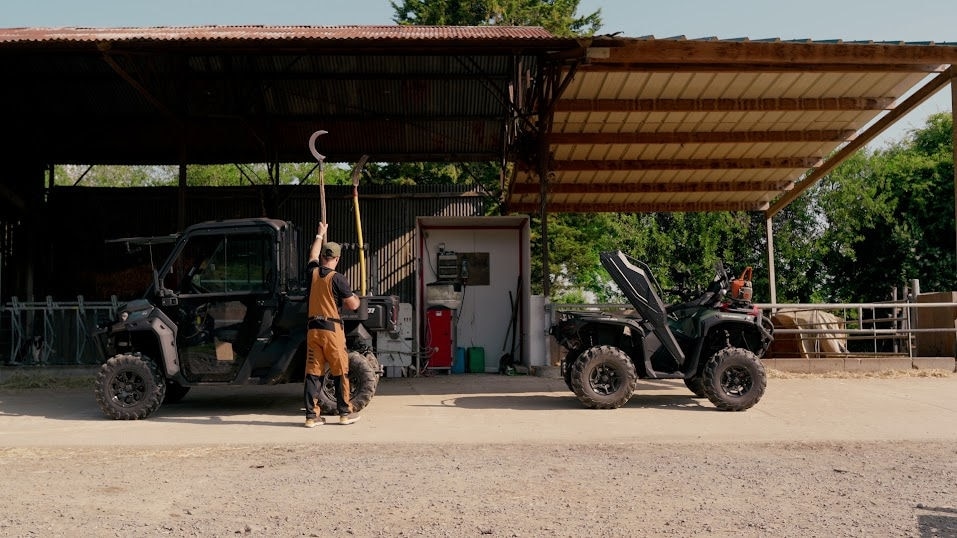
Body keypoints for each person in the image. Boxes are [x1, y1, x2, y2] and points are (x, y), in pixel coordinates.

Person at [303, 222, 362, 428]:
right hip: (331, 330)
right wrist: (355, 296)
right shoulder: (338, 278)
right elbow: (353, 305)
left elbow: (312, 255)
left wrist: (320, 234)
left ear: (322, 258)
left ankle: (311, 416)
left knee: (313, 373)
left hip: (313, 330)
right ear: (336, 259)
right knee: (340, 371)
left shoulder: (311, 272)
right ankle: (345, 412)